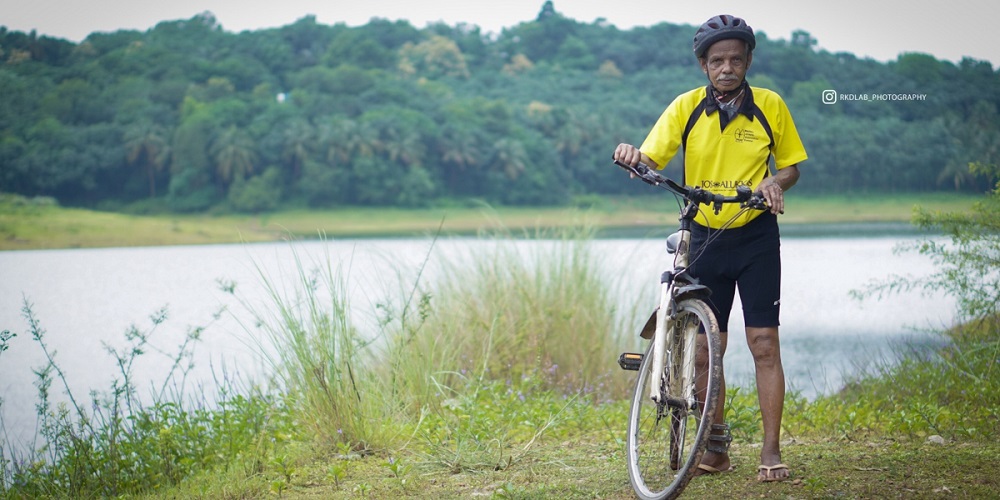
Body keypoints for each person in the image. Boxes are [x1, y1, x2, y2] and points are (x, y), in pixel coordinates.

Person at [613, 14, 807, 483]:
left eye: (735, 59)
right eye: (717, 60)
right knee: (705, 350)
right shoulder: (685, 107)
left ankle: (771, 451)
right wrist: (632, 155)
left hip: (756, 236)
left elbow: (792, 167)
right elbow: (651, 158)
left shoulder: (770, 106)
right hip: (704, 237)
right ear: (704, 65)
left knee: (763, 343)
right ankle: (714, 446)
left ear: (748, 61)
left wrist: (773, 181)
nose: (726, 67)